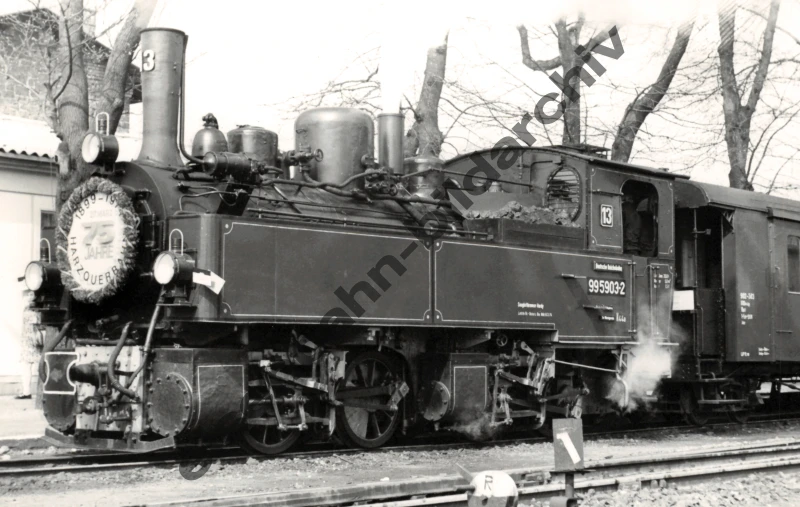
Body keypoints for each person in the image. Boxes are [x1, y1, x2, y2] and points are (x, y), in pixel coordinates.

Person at [17, 290, 44, 400]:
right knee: (31, 365)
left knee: (28, 365)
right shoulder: (33, 310)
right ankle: (27, 391)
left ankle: (27, 391)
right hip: (31, 340)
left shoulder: (31, 310)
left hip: (32, 340)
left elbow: (36, 324)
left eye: (31, 295)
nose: (29, 297)